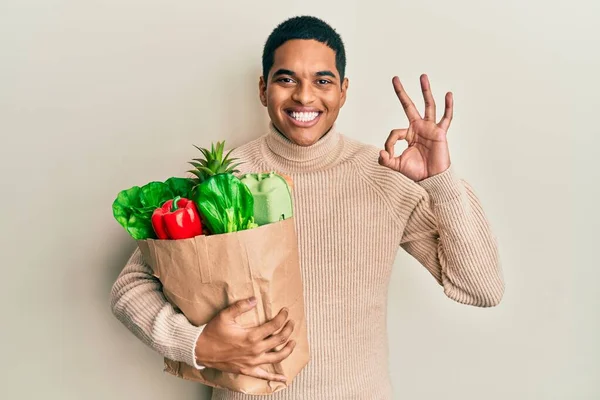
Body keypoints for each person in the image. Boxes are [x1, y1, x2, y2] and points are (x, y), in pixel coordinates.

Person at [110, 15, 505, 400]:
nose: (304, 95)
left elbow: (481, 288)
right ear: (263, 89)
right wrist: (197, 345)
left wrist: (441, 180)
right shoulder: (224, 180)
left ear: (343, 91)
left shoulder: (386, 175)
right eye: (286, 79)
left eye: (322, 80)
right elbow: (129, 287)